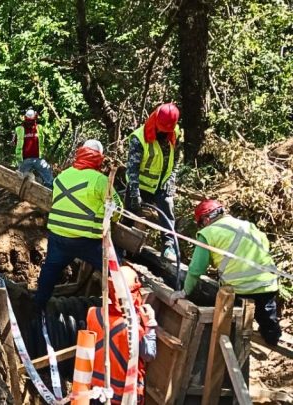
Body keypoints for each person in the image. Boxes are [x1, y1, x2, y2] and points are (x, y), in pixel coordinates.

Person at [33, 140, 122, 309]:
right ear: (99, 159)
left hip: (58, 237)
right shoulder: (100, 180)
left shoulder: (61, 176)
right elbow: (117, 211)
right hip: (86, 241)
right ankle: (120, 309)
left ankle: (37, 307)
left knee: (50, 271)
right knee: (115, 269)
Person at [180, 200, 281, 346]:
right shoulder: (248, 225)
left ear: (206, 219)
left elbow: (196, 269)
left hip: (240, 290)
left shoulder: (208, 233)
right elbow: (265, 245)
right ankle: (272, 336)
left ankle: (233, 340)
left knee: (231, 323)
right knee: (267, 319)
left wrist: (185, 291)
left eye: (201, 223)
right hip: (267, 284)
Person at [87, 266, 158, 404]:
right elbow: (149, 354)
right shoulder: (134, 327)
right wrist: (150, 324)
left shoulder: (93, 314)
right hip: (124, 397)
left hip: (95, 393)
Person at [125, 103, 180, 262]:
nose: (164, 132)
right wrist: (135, 192)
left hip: (162, 184)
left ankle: (169, 246)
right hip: (140, 184)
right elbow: (132, 168)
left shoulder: (175, 133)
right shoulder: (139, 138)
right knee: (129, 214)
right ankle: (120, 248)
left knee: (167, 211)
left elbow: (176, 159)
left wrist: (171, 179)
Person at [15, 108, 53, 187]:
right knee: (20, 180)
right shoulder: (19, 129)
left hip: (37, 159)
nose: (30, 122)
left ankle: (49, 192)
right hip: (25, 160)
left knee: (48, 176)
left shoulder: (39, 128)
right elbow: (15, 142)